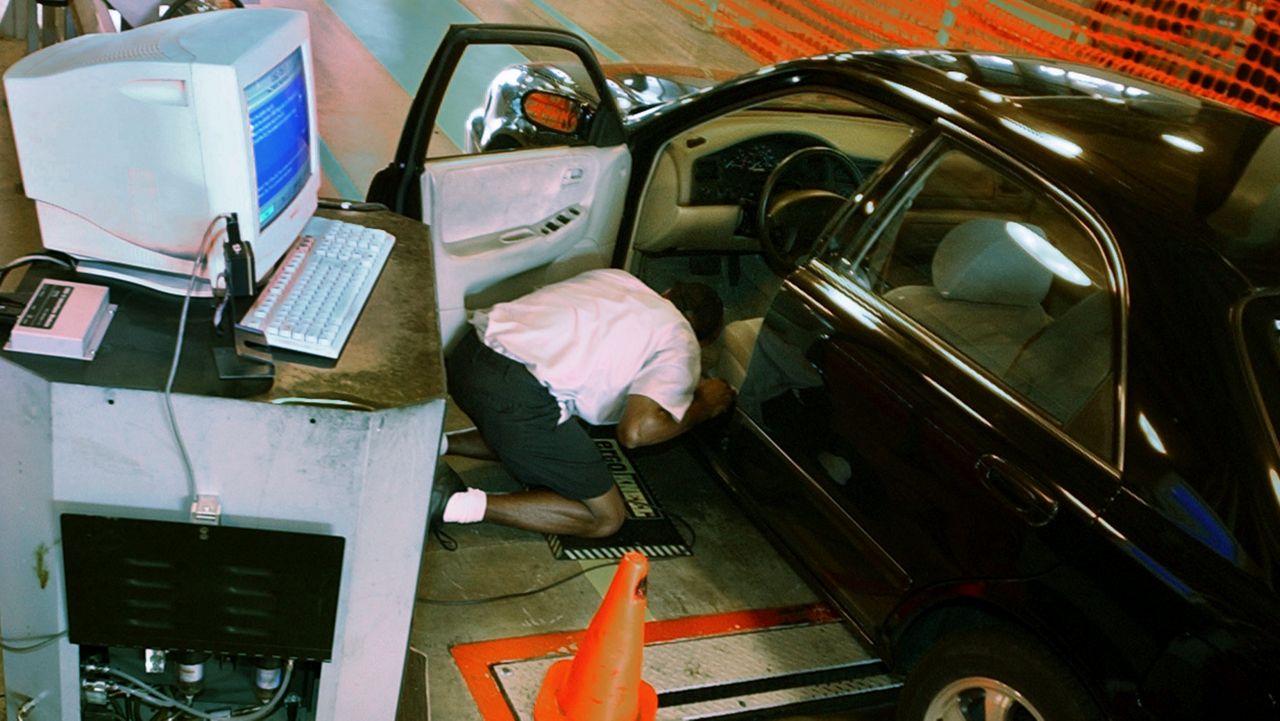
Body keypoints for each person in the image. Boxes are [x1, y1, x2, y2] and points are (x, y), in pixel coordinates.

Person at [434, 268, 735, 539]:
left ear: (666, 294)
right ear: (704, 341)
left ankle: (438, 445)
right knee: (605, 518)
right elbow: (636, 432)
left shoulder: (617, 278)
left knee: (555, 431)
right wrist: (703, 407)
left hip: (467, 355)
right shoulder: (682, 340)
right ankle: (451, 503)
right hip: (515, 394)